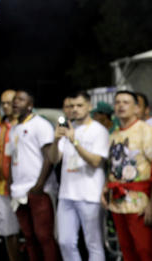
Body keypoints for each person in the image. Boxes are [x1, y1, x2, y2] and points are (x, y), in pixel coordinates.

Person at [46, 90, 108, 261]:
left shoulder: (98, 130)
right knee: (65, 242)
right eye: (72, 106)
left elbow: (96, 161)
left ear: (89, 106)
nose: (75, 109)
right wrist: (57, 140)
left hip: (90, 195)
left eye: (80, 105)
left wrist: (74, 141)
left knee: (93, 243)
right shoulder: (67, 129)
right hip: (66, 195)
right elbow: (53, 159)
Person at [9, 90, 59, 261]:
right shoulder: (14, 128)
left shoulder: (40, 124)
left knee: (44, 237)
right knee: (29, 238)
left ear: (30, 105)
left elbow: (49, 157)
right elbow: (13, 160)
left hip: (38, 190)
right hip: (19, 191)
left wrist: (39, 185)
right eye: (14, 100)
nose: (15, 102)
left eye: (21, 100)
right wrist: (11, 185)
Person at [103, 90, 152, 261]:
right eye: (117, 102)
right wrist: (104, 188)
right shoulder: (114, 134)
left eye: (126, 102)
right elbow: (111, 167)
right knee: (126, 249)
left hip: (140, 202)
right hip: (117, 201)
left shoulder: (146, 131)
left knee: (144, 250)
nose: (121, 106)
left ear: (136, 108)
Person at [0, 89, 21, 261]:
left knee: (30, 230)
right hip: (2, 185)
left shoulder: (27, 124)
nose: (7, 106)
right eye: (4, 103)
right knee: (7, 229)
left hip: (25, 186)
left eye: (10, 102)